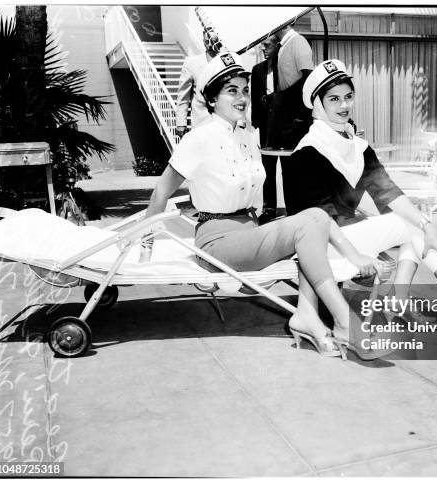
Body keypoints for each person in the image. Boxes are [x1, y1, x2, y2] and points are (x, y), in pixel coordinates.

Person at [143, 52, 400, 360]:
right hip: (217, 243)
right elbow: (160, 191)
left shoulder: (249, 136)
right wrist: (145, 246)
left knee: (311, 228)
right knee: (312, 219)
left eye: (243, 89)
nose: (241, 97)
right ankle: (346, 323)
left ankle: (307, 317)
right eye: (231, 91)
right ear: (212, 99)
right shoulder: (198, 139)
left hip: (250, 233)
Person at [282, 60, 437, 335]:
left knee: (412, 225)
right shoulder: (307, 152)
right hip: (322, 247)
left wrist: (430, 227)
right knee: (410, 227)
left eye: (348, 97)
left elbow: (387, 191)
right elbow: (313, 221)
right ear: (317, 104)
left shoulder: (356, 147)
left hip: (348, 236)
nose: (344, 106)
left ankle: (411, 301)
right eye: (334, 99)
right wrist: (422, 226)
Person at [265, 25, 313, 149]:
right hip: (288, 119)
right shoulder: (284, 46)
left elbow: (308, 78)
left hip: (298, 120)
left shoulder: (298, 41)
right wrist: (274, 97)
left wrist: (280, 97)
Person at [251, 35, 280, 223]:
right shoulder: (257, 70)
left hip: (283, 125)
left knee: (288, 168)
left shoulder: (284, 68)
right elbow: (255, 97)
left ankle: (295, 209)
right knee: (267, 169)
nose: (264, 48)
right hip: (265, 125)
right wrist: (256, 122)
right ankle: (269, 208)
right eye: (262, 45)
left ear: (278, 46)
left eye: (268, 45)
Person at [174, 28, 222, 138]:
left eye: (213, 41)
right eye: (207, 41)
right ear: (203, 41)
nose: (210, 44)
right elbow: (183, 97)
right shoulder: (191, 63)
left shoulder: (226, 62)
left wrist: (240, 122)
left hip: (224, 123)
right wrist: (181, 123)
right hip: (201, 123)